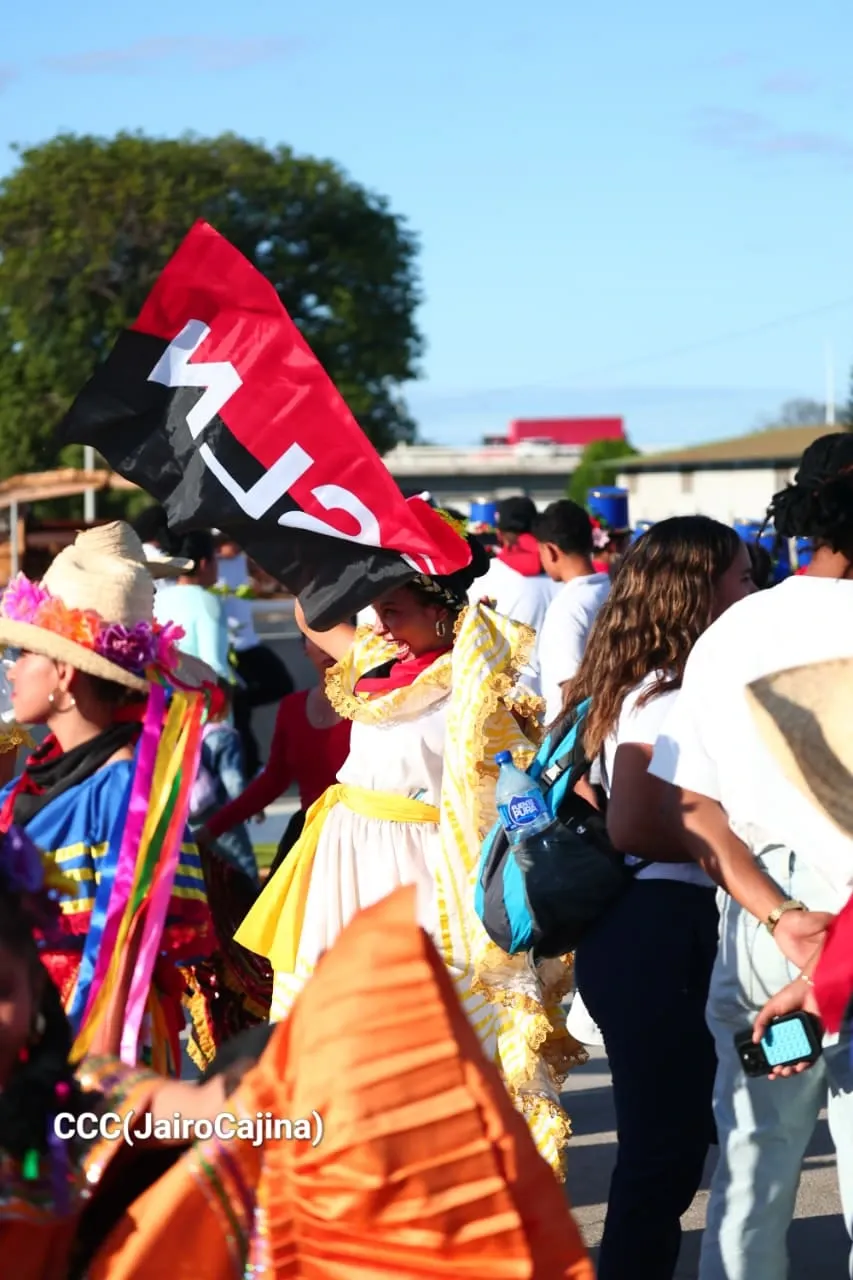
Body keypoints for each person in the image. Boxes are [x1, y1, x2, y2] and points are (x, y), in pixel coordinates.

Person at [0, 826, 594, 1279]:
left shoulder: (77, 1103)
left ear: (35, 990)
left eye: (3, 989)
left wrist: (339, 1059)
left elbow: (228, 1109)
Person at [236, 525, 584, 1178]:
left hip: (419, 872)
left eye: (394, 609)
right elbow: (311, 614)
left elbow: (499, 796)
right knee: (330, 1030)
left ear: (438, 610)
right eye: (378, 610)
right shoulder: (374, 664)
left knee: (417, 1031)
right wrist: (314, 540)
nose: (382, 622)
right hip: (344, 867)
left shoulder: (474, 686)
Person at [649, 433, 853, 1280]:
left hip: (766, 914)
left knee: (750, 1168)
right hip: (829, 917)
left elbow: (689, 805)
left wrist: (777, 914)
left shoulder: (732, 631)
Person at [561, 517, 754, 1280]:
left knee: (670, 1150)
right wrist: (751, 851)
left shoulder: (645, 682)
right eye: (739, 578)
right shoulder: (667, 694)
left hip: (645, 932)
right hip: (658, 929)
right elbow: (634, 823)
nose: (751, 591)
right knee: (661, 1156)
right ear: (693, 591)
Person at [0, 522, 218, 1073]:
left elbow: (124, 953)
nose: (12, 669)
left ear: (65, 674)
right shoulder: (32, 780)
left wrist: (85, 1071)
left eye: (26, 654)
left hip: (80, 1049)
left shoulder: (127, 796)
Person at [197, 637, 352, 876]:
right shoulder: (292, 709)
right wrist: (211, 829)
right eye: (318, 637)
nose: (327, 646)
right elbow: (273, 781)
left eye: (334, 634)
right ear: (304, 648)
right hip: (309, 839)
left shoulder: (378, 704)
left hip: (362, 839)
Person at [215, 534, 294, 778]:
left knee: (281, 684)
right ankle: (249, 768)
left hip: (248, 643)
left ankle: (238, 702)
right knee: (241, 717)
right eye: (229, 540)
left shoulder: (242, 558)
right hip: (229, 647)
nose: (235, 546)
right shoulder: (209, 563)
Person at [534, 499, 612, 723]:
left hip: (573, 741)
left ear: (550, 550)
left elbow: (572, 690)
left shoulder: (567, 608)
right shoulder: (614, 589)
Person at [153, 531, 231, 683]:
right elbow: (214, 664)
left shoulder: (158, 598)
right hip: (196, 697)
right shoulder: (208, 601)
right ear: (203, 563)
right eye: (215, 558)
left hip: (164, 691)